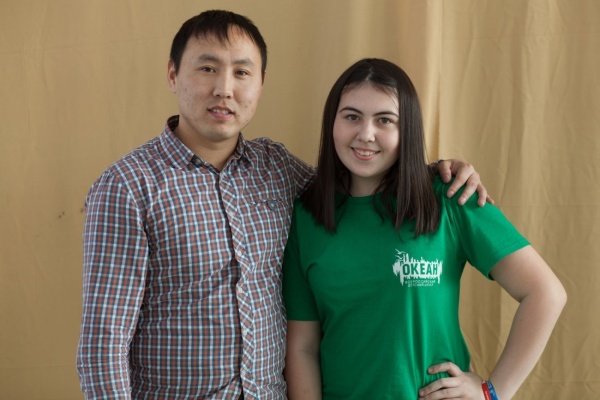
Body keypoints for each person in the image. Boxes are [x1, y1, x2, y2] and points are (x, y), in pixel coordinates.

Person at [76, 10, 491, 400]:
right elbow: (103, 345)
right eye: (207, 68)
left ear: (260, 84)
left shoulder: (276, 167)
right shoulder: (128, 187)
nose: (224, 89)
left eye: (242, 72)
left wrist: (430, 172)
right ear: (172, 74)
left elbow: (356, 178)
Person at [282, 58, 567, 400]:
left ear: (408, 130)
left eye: (385, 120)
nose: (366, 134)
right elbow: (303, 347)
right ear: (332, 123)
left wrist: (493, 393)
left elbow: (545, 293)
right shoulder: (307, 217)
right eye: (352, 116)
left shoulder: (449, 196)